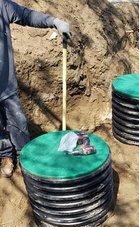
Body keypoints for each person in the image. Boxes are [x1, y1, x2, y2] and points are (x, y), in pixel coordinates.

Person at [0, 0, 71, 178]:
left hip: (6, 84)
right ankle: (6, 155)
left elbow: (27, 15)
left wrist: (54, 21)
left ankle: (26, 157)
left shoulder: (2, 6)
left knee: (18, 121)